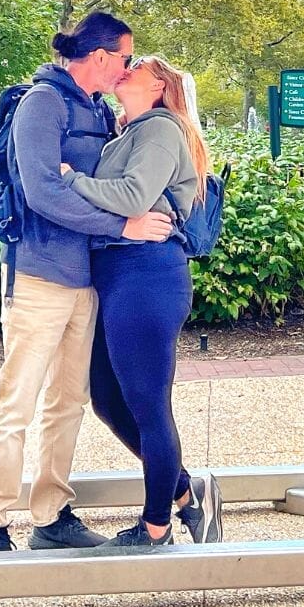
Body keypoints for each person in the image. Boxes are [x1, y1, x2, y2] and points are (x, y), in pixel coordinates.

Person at [0, 13, 175, 554]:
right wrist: (121, 226)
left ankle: (51, 516)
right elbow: (43, 192)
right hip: (39, 275)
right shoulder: (42, 103)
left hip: (87, 281)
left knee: (68, 402)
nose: (128, 67)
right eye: (125, 58)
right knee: (17, 401)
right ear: (101, 56)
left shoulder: (100, 110)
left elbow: (112, 183)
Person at [61, 54, 222, 550]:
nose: (126, 68)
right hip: (118, 276)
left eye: (140, 66)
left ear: (159, 87)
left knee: (149, 405)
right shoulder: (129, 132)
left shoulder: (160, 128)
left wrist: (70, 179)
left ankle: (155, 529)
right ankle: (186, 493)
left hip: (146, 275)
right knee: (109, 399)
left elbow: (133, 197)